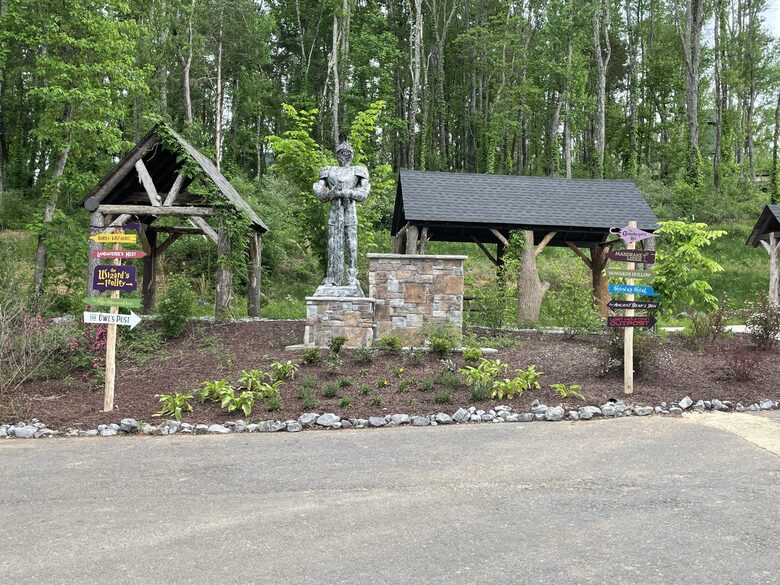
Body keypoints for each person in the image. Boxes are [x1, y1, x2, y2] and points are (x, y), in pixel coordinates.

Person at [313, 136, 370, 290]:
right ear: (337, 154)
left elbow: (364, 192)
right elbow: (319, 190)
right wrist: (331, 193)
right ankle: (331, 276)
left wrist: (349, 192)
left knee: (351, 243)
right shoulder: (328, 170)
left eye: (347, 152)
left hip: (350, 210)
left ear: (351, 154)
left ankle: (352, 276)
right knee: (332, 243)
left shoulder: (358, 170)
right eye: (341, 152)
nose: (344, 155)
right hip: (335, 211)